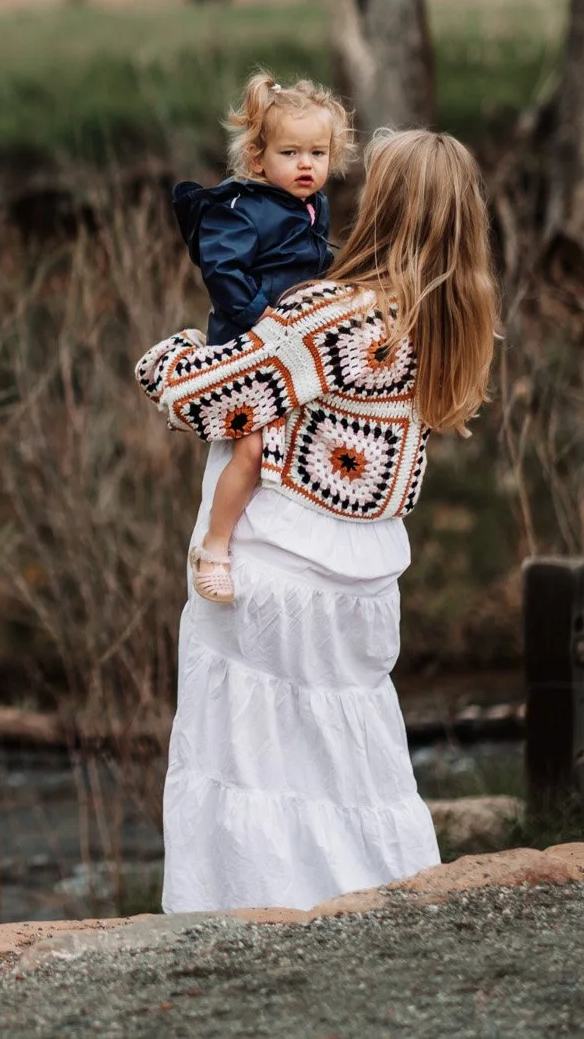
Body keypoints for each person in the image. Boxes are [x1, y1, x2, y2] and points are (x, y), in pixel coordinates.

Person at [134, 128, 499, 913]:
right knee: (352, 765)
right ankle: (386, 914)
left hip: (272, 568)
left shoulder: (328, 313)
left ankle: (241, 923)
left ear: (386, 206)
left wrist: (171, 356)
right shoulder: (452, 321)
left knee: (247, 765)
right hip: (366, 583)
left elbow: (214, 399)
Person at [167, 73, 355, 606]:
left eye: (318, 153)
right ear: (257, 158)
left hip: (294, 343)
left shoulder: (313, 206)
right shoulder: (241, 209)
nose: (306, 165)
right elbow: (223, 272)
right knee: (250, 448)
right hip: (250, 342)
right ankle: (217, 546)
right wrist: (264, 320)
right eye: (291, 152)